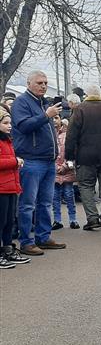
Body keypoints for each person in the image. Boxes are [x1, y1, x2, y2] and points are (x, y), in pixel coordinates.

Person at [12, 71, 66, 256]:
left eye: (45, 82)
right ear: (29, 83)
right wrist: (46, 115)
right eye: (39, 82)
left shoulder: (44, 102)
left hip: (48, 160)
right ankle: (26, 241)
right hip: (31, 160)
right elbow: (23, 126)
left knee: (45, 202)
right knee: (28, 204)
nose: (43, 86)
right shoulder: (21, 102)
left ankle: (43, 237)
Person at [65, 84, 101, 231]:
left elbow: (71, 135)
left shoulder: (80, 109)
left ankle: (92, 218)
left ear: (86, 95)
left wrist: (69, 156)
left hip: (85, 155)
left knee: (86, 186)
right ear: (100, 94)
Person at [0, 110, 30, 267]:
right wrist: (15, 161)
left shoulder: (7, 140)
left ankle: (7, 249)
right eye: (5, 123)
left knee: (9, 222)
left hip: (10, 186)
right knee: (1, 221)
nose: (9, 126)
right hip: (1, 188)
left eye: (10, 123)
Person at [52, 116, 77, 229]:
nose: (54, 121)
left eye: (56, 118)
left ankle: (73, 219)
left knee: (69, 195)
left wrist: (65, 165)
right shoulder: (49, 134)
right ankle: (57, 220)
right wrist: (55, 167)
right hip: (53, 171)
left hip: (67, 169)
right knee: (55, 198)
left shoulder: (67, 135)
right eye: (51, 118)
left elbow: (72, 150)